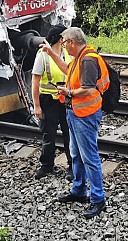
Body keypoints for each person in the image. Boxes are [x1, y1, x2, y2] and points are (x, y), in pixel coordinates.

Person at [41, 27, 108, 219]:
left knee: (89, 157)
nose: (64, 47)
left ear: (72, 42)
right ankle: (78, 190)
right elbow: (66, 69)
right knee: (76, 154)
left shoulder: (87, 60)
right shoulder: (80, 57)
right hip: (76, 112)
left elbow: (87, 90)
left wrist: (68, 92)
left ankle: (98, 198)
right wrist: (51, 53)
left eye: (64, 43)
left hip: (84, 114)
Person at [30, 25, 73, 180]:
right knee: (49, 136)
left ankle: (72, 166)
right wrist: (36, 105)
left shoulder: (68, 53)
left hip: (65, 99)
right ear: (61, 39)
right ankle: (46, 166)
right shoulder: (42, 55)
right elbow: (35, 81)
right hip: (48, 100)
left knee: (69, 135)